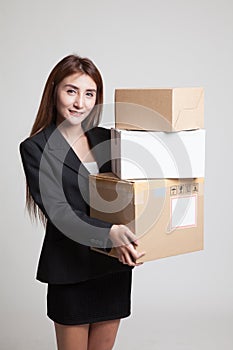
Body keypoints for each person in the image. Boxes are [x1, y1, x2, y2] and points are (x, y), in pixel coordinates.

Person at [20, 54, 145, 350]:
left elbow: (131, 188)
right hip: (69, 269)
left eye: (89, 93)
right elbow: (59, 212)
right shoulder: (35, 147)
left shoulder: (107, 138)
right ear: (54, 91)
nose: (80, 103)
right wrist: (108, 233)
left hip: (111, 267)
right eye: (71, 91)